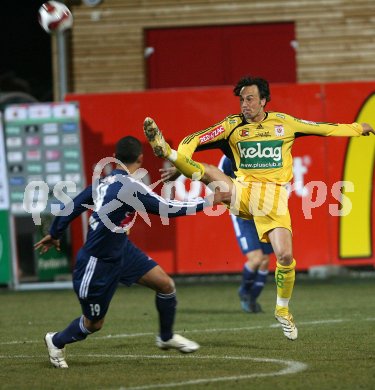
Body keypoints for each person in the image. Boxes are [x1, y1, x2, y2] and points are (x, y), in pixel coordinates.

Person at [143, 75, 375, 341]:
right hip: (243, 192)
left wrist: (358, 128)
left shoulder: (284, 123)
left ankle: (283, 311)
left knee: (285, 257)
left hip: (274, 201)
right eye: (242, 99)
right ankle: (165, 151)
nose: (245, 104)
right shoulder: (231, 126)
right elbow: (194, 138)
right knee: (209, 172)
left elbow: (325, 128)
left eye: (250, 99)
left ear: (264, 100)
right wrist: (179, 158)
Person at [35, 136, 225, 368]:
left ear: (115, 158)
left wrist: (55, 232)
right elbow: (168, 209)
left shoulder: (103, 182)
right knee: (94, 324)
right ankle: (56, 340)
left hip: (121, 251)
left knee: (165, 285)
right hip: (98, 261)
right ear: (141, 158)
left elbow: (72, 207)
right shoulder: (130, 187)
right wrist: (211, 199)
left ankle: (165, 337)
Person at [218, 155, 273, 314]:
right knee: (256, 259)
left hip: (262, 213)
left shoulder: (261, 152)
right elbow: (217, 179)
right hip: (242, 214)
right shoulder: (229, 156)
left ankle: (252, 299)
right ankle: (244, 291)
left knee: (264, 260)